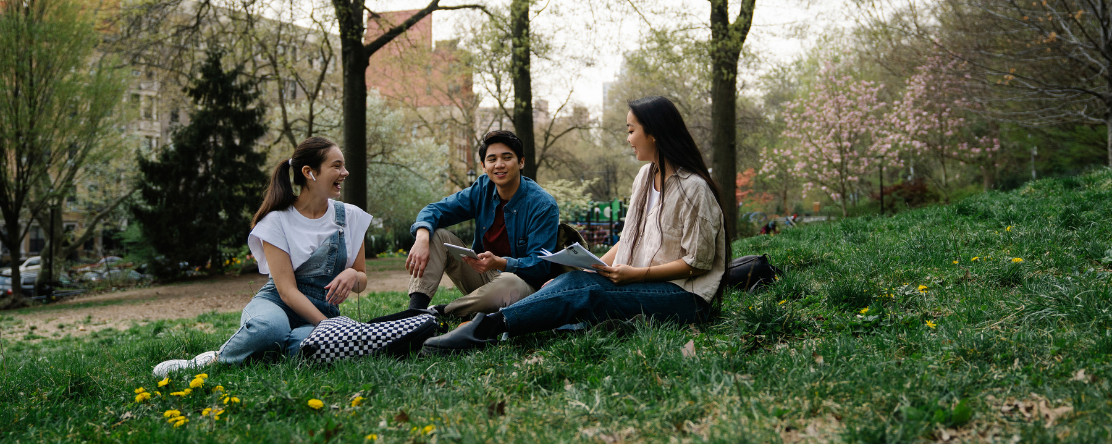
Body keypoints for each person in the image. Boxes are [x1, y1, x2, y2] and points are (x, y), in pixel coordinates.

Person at [421, 96, 727, 354]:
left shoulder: (693, 188)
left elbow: (696, 263)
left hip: (683, 297)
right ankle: (480, 322)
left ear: (655, 133)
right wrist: (590, 267)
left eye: (631, 130)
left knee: (586, 292)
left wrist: (636, 274)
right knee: (574, 282)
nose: (628, 138)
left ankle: (485, 329)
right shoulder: (645, 178)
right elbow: (630, 238)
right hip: (643, 283)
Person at [153, 137, 372, 376]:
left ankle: (261, 353)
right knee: (271, 328)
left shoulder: (351, 217)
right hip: (276, 305)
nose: (345, 172)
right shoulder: (276, 221)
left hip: (321, 313)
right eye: (337, 166)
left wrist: (352, 274)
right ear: (309, 172)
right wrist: (329, 327)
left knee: (306, 344)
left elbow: (361, 282)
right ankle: (213, 362)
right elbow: (287, 292)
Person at [404, 130, 559, 318]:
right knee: (434, 234)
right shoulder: (482, 188)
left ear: (521, 162)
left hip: (522, 287)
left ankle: (441, 313)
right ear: (484, 166)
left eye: (507, 157)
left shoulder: (542, 204)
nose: (499, 165)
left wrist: (501, 263)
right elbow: (435, 210)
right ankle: (413, 313)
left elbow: (540, 266)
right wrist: (421, 237)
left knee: (510, 283)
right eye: (492, 159)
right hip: (483, 276)